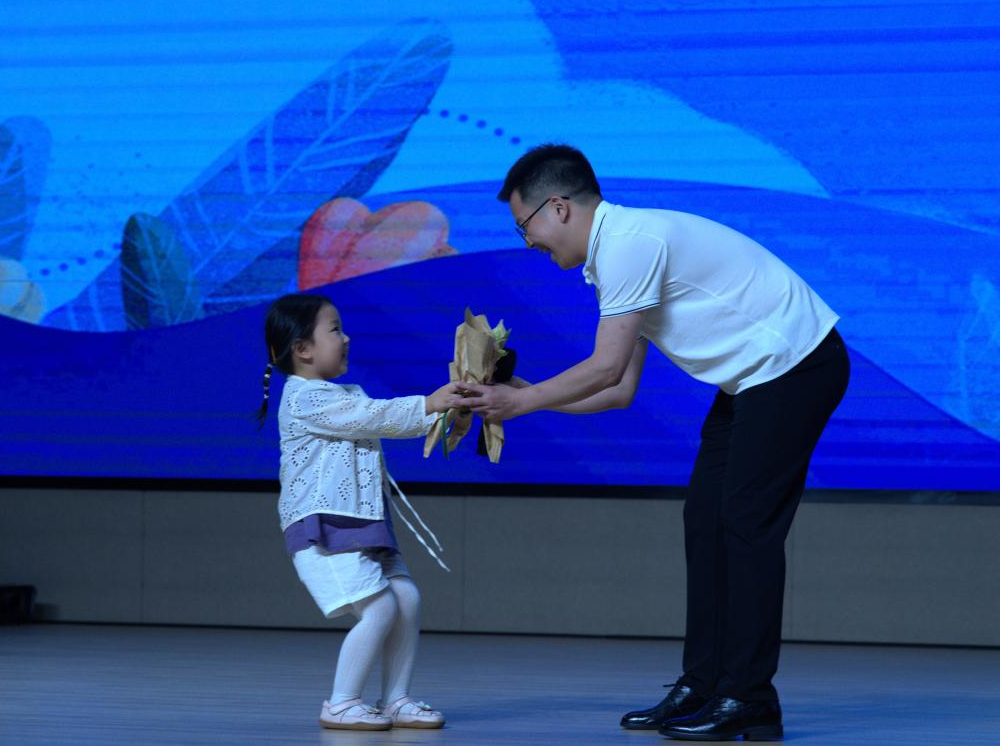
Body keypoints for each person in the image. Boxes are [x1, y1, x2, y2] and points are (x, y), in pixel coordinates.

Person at [455, 144, 849, 741]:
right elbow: (619, 390)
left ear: (558, 207)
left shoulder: (629, 244)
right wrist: (521, 394)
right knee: (705, 520)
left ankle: (749, 698)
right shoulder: (613, 256)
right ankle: (704, 684)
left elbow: (605, 368)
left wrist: (522, 403)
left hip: (796, 366)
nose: (527, 241)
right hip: (752, 380)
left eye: (523, 225)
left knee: (746, 523)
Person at [257, 293, 461, 731]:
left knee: (405, 599)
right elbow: (375, 416)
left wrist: (455, 409)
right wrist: (432, 403)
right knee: (380, 608)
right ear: (302, 349)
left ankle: (396, 699)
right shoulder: (305, 398)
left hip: (361, 523)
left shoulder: (342, 395)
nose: (346, 337)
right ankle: (341, 702)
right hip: (323, 526)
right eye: (335, 329)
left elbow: (383, 419)